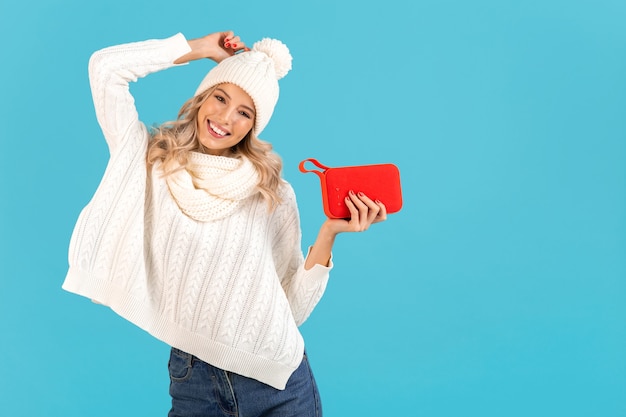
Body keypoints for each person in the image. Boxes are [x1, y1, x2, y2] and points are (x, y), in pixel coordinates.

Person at [63, 29, 387, 417]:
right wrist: (200, 49)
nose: (224, 118)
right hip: (195, 380)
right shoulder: (146, 159)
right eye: (220, 97)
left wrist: (328, 234)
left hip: (280, 384)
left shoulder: (271, 191)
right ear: (203, 96)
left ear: (254, 125)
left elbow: (292, 310)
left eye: (244, 112)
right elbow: (105, 68)